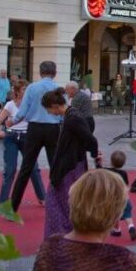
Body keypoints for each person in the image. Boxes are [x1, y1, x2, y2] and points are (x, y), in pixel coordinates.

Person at [41, 87, 101, 238]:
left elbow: (90, 139)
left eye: (49, 110)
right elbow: (86, 139)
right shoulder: (71, 115)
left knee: (59, 203)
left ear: (55, 106)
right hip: (70, 165)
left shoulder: (72, 117)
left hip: (70, 167)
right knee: (62, 203)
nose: (49, 113)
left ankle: (62, 238)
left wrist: (95, 154)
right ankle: (63, 237)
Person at [9, 60, 62, 213]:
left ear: (40, 72)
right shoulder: (58, 89)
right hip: (53, 128)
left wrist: (12, 121)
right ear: (55, 72)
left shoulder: (32, 87)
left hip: (34, 128)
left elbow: (23, 111)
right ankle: (58, 205)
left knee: (26, 167)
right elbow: (62, 111)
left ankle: (13, 207)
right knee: (55, 167)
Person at [0, 82, 45, 207]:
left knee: (33, 168)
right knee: (10, 170)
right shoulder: (10, 105)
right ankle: (3, 201)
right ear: (17, 91)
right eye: (24, 89)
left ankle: (42, 197)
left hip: (27, 137)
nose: (27, 91)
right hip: (11, 137)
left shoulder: (32, 104)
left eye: (27, 89)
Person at [107, 150, 136, 241]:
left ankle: (117, 230)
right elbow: (126, 185)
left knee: (115, 215)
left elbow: (100, 170)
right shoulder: (123, 173)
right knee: (127, 214)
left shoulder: (108, 171)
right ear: (123, 163)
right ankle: (131, 226)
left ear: (111, 161)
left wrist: (98, 161)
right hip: (124, 198)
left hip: (114, 199)